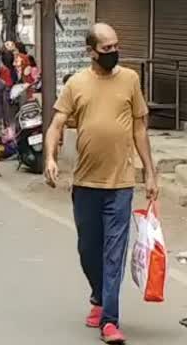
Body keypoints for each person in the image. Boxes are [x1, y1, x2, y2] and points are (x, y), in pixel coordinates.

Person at [44, 23, 158, 344]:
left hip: (120, 184)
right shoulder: (76, 84)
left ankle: (110, 319)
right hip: (85, 183)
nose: (113, 53)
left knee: (114, 253)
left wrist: (149, 172)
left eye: (115, 47)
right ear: (90, 52)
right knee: (88, 249)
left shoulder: (131, 80)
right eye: (106, 49)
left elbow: (139, 130)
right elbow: (55, 125)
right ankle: (98, 296)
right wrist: (50, 158)